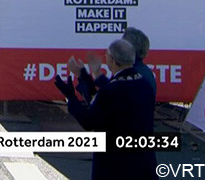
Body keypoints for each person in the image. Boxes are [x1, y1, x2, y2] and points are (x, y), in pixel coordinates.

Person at [54, 39, 156, 180]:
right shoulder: (144, 84)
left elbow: (89, 121)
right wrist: (86, 76)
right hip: (144, 164)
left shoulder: (112, 91)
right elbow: (110, 97)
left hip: (116, 166)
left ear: (112, 60)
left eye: (107, 54)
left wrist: (71, 97)